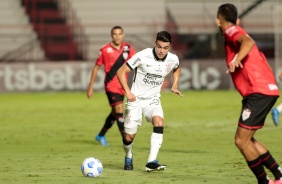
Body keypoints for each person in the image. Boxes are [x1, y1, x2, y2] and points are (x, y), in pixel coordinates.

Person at [216, 3, 282, 184]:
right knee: (248, 139)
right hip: (267, 89)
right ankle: (279, 176)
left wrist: (237, 59)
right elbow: (261, 59)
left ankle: (264, 181)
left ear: (218, 21)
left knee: (240, 140)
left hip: (257, 91)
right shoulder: (237, 31)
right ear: (237, 19)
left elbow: (248, 42)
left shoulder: (231, 30)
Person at [117, 31, 183, 172]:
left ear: (169, 46)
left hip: (153, 101)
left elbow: (177, 68)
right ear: (155, 43)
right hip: (135, 100)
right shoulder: (142, 55)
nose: (161, 50)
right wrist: (128, 92)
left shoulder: (172, 59)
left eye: (165, 48)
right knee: (129, 137)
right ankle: (128, 154)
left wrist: (175, 84)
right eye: (159, 46)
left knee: (159, 122)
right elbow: (121, 72)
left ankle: (151, 161)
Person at [87, 26, 135, 146]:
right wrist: (90, 87)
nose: (117, 36)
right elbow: (96, 67)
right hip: (110, 85)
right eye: (115, 34)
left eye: (119, 34)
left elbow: (136, 63)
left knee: (115, 113)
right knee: (119, 109)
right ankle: (125, 139)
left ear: (123, 35)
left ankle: (101, 135)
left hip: (123, 86)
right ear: (111, 35)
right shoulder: (104, 50)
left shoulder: (128, 48)